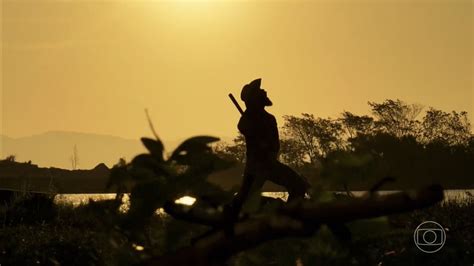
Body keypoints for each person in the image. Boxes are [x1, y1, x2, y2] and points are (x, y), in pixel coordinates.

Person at [226, 78, 310, 218]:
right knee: (244, 198)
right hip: (256, 166)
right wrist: (255, 128)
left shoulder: (269, 118)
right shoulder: (247, 119)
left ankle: (287, 216)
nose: (264, 91)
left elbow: (274, 143)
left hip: (269, 163)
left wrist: (270, 150)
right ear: (254, 99)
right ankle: (231, 218)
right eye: (259, 92)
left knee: (298, 186)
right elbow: (243, 127)